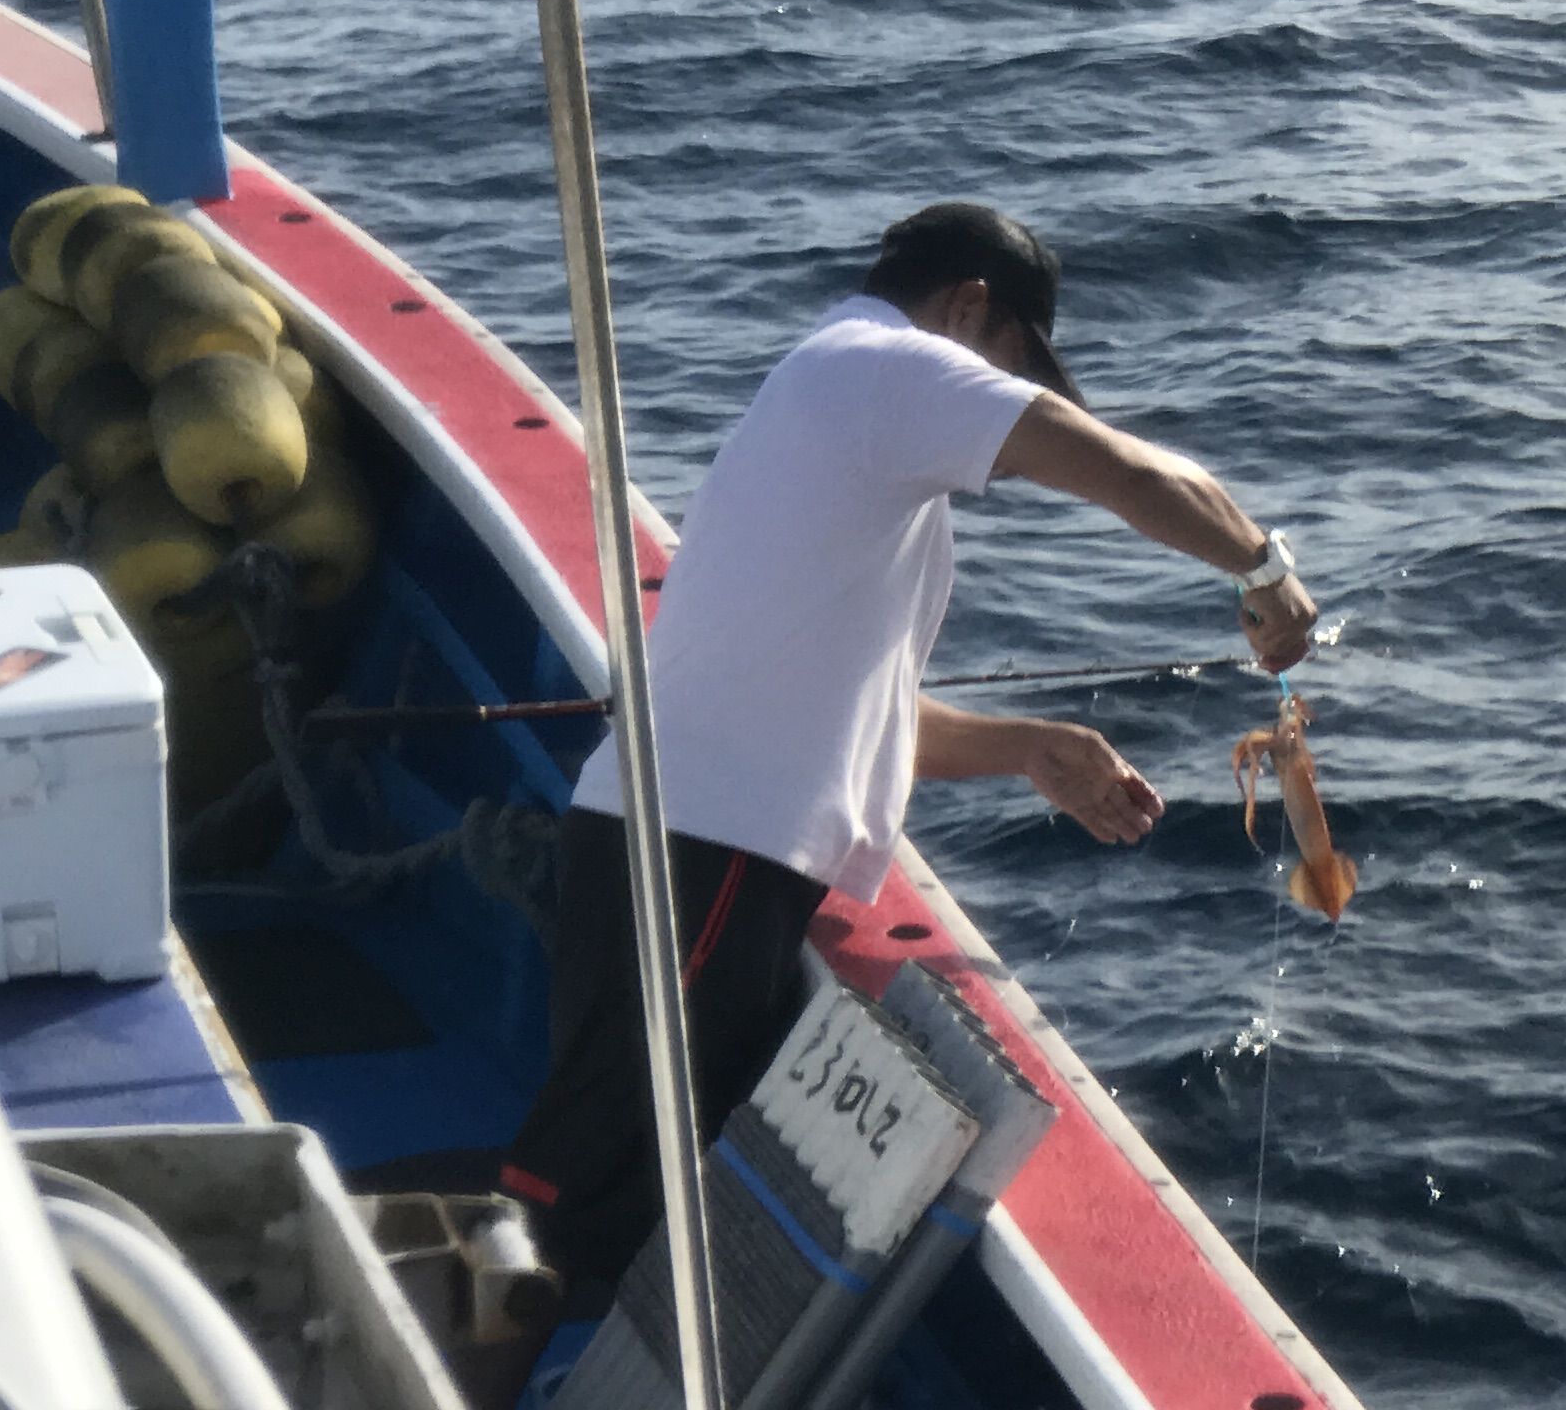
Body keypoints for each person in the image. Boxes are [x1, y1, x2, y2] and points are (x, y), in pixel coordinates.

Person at [495, 200, 1314, 1292]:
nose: (1002, 397)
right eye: (1010, 362)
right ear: (969, 309)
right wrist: (1263, 570)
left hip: (699, 852)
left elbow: (841, 703)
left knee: (629, 1195)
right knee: (568, 1216)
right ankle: (404, 1376)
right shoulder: (887, 368)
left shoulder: (834, 395)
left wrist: (1025, 748)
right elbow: (1135, 474)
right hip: (702, 859)